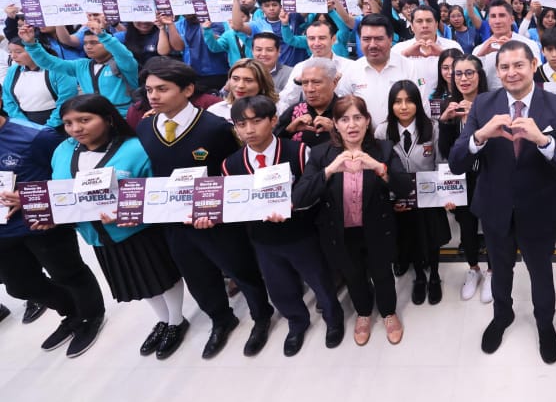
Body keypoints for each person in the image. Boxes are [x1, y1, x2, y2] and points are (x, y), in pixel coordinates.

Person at [448, 40, 556, 364]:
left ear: (533, 65)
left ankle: (544, 323)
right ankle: (502, 315)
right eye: (505, 67)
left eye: (518, 65)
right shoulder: (483, 104)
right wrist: (480, 136)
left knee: (541, 273)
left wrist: (543, 141)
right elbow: (456, 163)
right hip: (495, 208)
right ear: (497, 71)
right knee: (500, 270)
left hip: (539, 210)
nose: (511, 72)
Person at [136, 59, 271, 359]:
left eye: (162, 89)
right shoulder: (145, 128)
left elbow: (235, 173)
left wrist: (215, 209)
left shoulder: (215, 128)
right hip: (174, 222)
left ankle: (261, 316)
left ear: (187, 90)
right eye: (149, 89)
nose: (153, 96)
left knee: (241, 269)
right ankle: (221, 319)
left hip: (217, 220)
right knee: (196, 275)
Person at [50, 94, 186, 359]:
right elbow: (58, 191)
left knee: (162, 277)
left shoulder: (135, 148)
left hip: (139, 231)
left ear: (108, 119)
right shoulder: (63, 150)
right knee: (138, 282)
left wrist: (131, 210)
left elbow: (158, 192)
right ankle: (162, 320)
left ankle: (177, 321)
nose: (76, 128)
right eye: (68, 123)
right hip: (97, 235)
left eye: (84, 120)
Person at [223, 95, 344, 356]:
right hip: (263, 239)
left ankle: (333, 318)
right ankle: (297, 323)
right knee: (280, 287)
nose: (249, 130)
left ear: (273, 120)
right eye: (241, 124)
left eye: (256, 121)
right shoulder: (230, 164)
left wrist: (294, 207)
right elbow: (234, 204)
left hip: (303, 234)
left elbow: (316, 191)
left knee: (320, 280)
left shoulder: (298, 152)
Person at [293, 95, 410, 346]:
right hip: (340, 233)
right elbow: (300, 197)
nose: (352, 125)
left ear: (367, 121)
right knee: (353, 275)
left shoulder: (383, 149)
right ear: (335, 124)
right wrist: (329, 171)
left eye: (358, 117)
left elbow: (405, 188)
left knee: (382, 274)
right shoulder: (322, 154)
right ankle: (363, 313)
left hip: (377, 228)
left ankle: (389, 312)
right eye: (344, 119)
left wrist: (378, 167)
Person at [0, 108, 106, 358]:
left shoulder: (36, 136)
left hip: (42, 222)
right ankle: (72, 312)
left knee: (68, 272)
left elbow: (68, 176)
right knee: (19, 286)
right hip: (4, 230)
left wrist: (29, 197)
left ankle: (90, 315)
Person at [375, 80, 449, 306]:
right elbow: (380, 169)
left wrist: (445, 195)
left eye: (409, 101)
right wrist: (391, 199)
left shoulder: (432, 127)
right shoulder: (382, 131)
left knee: (432, 238)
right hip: (400, 198)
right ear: (391, 105)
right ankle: (419, 277)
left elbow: (440, 162)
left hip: (429, 195)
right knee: (410, 239)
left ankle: (434, 275)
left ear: (418, 102)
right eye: (398, 102)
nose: (404, 106)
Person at [437, 54, 493, 303]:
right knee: (466, 227)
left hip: (488, 176)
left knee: (492, 227)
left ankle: (492, 272)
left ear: (480, 75)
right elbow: (446, 152)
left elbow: (498, 146)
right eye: (458, 73)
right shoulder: (449, 104)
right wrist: (446, 122)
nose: (463, 78)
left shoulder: (491, 104)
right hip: (461, 180)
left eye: (469, 72)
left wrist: (477, 119)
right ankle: (473, 269)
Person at [20, 20, 138, 116]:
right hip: (95, 118)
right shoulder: (81, 65)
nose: (88, 47)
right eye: (85, 43)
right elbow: (49, 63)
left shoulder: (124, 64)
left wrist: (102, 35)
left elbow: (123, 54)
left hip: (124, 117)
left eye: (94, 43)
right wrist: (31, 44)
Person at [347, 14, 418, 129]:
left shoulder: (409, 67)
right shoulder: (351, 70)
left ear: (390, 39)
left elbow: (421, 106)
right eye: (366, 39)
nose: (372, 45)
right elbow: (343, 109)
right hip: (365, 138)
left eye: (379, 39)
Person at [275, 20, 354, 114]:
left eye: (322, 38)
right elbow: (285, 103)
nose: (316, 43)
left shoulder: (350, 66)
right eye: (312, 38)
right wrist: (297, 83)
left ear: (333, 39)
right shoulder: (300, 67)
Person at [391, 5, 462, 101]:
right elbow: (390, 78)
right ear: (412, 26)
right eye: (419, 21)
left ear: (436, 24)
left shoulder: (452, 46)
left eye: (429, 21)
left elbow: (463, 74)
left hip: (448, 104)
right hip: (412, 105)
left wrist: (443, 54)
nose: (424, 25)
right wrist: (404, 55)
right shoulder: (399, 49)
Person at [2, 38, 78, 127]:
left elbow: (66, 99)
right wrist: (25, 124)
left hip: (58, 121)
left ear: (34, 49)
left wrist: (49, 126)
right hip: (25, 122)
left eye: (18, 52)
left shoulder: (58, 69)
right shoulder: (13, 70)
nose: (13, 56)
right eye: (10, 52)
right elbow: (7, 99)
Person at [474, 0, 542, 90]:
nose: (497, 21)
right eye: (493, 16)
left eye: (502, 15)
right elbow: (475, 82)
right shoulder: (479, 50)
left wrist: (514, 52)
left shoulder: (528, 44)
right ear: (489, 21)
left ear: (512, 19)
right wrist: (480, 56)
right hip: (492, 97)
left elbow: (537, 75)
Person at [275, 57, 340, 148]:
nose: (310, 89)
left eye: (316, 82)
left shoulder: (347, 110)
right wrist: (289, 131)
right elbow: (271, 146)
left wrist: (335, 131)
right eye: (305, 83)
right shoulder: (294, 112)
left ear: (334, 83)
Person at [207, 58, 279, 123]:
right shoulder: (215, 111)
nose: (240, 85)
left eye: (248, 80)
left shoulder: (277, 110)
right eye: (235, 79)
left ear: (262, 83)